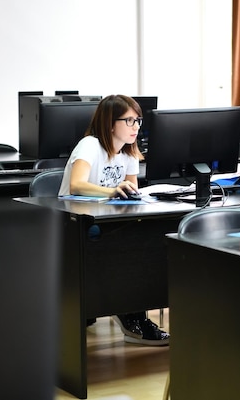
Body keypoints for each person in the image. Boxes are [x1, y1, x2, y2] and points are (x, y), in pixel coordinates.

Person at [58, 94, 169, 346]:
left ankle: (136, 313)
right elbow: (76, 185)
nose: (136, 127)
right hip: (78, 226)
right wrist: (111, 191)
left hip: (109, 224)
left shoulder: (128, 153)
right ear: (110, 123)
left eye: (138, 121)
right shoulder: (90, 145)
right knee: (127, 249)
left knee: (146, 239)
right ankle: (130, 314)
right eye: (129, 121)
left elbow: (132, 192)